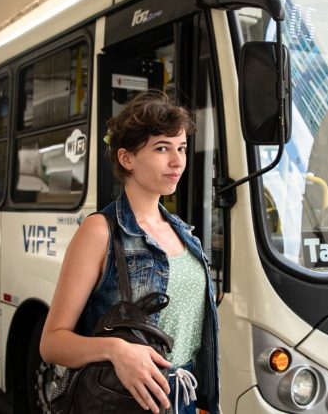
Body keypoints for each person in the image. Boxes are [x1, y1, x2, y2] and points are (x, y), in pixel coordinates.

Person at [40, 90, 219, 414]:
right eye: (162, 148)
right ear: (127, 158)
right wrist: (115, 350)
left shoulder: (183, 232)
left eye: (181, 147)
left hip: (184, 398)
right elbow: (52, 343)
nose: (177, 160)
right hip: (125, 400)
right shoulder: (100, 231)